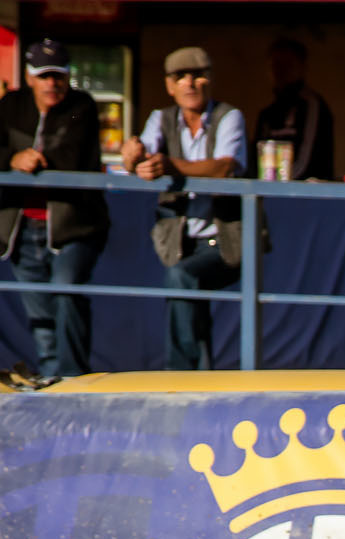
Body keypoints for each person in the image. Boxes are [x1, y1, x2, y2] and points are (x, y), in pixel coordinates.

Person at [0, 38, 108, 380]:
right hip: (22, 229)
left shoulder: (79, 106)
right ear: (29, 77)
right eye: (44, 76)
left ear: (68, 76)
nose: (52, 84)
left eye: (58, 75)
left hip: (73, 227)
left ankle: (72, 381)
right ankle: (52, 383)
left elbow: (75, 155)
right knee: (41, 315)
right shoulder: (13, 106)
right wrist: (11, 159)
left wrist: (36, 161)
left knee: (67, 295)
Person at [119, 47, 248, 371]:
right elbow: (141, 158)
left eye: (198, 74)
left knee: (182, 278)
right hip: (178, 239)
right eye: (181, 76)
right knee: (188, 297)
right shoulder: (160, 119)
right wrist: (133, 157)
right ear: (169, 85)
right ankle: (201, 377)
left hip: (226, 238)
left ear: (211, 80)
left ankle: (180, 375)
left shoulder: (229, 116)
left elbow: (224, 168)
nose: (190, 83)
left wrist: (169, 165)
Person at [255, 37, 336, 182]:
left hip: (306, 195)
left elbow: (307, 159)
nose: (280, 71)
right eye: (275, 65)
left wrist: (279, 183)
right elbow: (256, 161)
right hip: (272, 194)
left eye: (287, 65)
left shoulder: (312, 105)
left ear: (302, 67)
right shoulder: (267, 114)